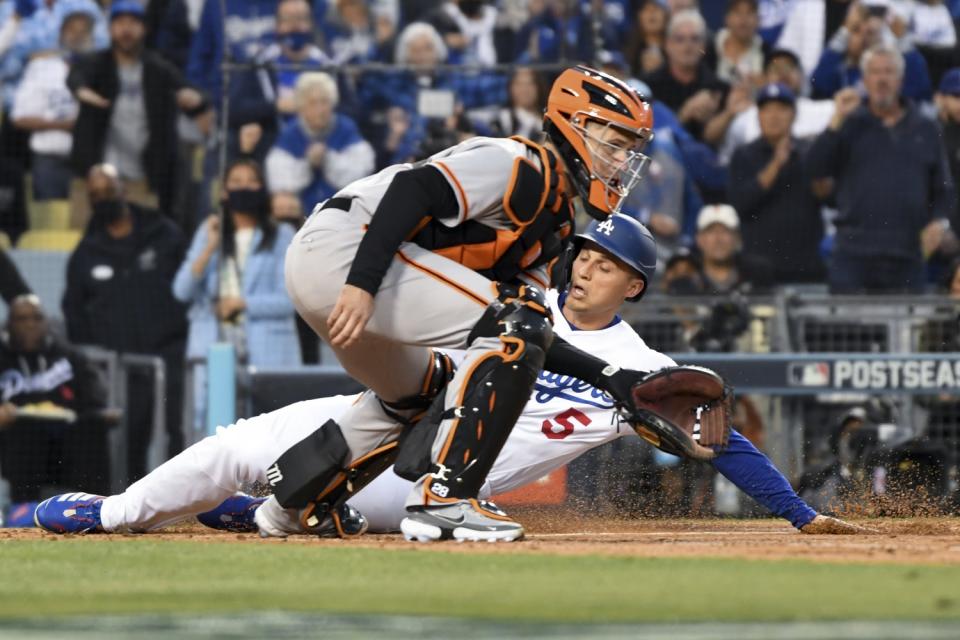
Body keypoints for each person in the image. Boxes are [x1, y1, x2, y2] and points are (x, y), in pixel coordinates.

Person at [33, 215, 862, 537]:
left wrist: (800, 514)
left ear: (635, 284)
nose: (584, 271)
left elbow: (722, 438)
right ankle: (118, 511)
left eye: (607, 266)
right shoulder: (517, 300)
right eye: (584, 255)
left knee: (300, 499)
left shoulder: (643, 370)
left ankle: (284, 513)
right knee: (229, 448)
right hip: (384, 417)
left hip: (429, 481)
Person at [258, 66, 657, 544]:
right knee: (516, 321)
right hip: (345, 251)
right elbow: (414, 189)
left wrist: (608, 376)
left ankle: (293, 502)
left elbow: (532, 334)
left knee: (418, 392)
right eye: (612, 142)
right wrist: (361, 283)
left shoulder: (556, 227)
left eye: (628, 149)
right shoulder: (518, 163)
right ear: (572, 126)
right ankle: (446, 499)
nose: (619, 161)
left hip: (351, 270)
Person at [62, 164, 188, 482]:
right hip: (122, 366)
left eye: (108, 190)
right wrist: (99, 355)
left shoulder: (163, 233)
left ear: (124, 190)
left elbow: (189, 287)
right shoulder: (86, 252)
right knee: (130, 439)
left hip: (170, 352)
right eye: (95, 195)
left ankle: (185, 506)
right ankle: (135, 510)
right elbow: (73, 311)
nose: (103, 199)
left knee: (177, 432)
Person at [808, 44, 955, 293]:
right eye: (874, 72)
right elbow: (814, 168)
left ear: (901, 80)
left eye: (889, 72)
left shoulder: (926, 127)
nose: (882, 79)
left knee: (905, 331)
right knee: (848, 331)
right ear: (864, 80)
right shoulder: (848, 123)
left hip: (907, 253)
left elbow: (942, 188)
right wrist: (835, 120)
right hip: (853, 253)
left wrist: (939, 223)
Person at [173, 158, 300, 433]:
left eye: (251, 181)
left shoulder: (281, 235)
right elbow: (181, 290)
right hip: (215, 347)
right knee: (213, 435)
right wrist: (209, 247)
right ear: (224, 192)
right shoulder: (209, 232)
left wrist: (243, 304)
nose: (245, 188)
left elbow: (290, 300)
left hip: (267, 348)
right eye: (236, 182)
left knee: (271, 432)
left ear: (262, 188)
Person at [66, 1, 211, 226]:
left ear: (143, 28)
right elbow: (76, 77)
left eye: (133, 23)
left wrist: (194, 98)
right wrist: (81, 91)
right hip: (97, 179)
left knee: (143, 239)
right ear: (110, 29)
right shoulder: (96, 64)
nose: (126, 30)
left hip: (144, 177)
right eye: (120, 23)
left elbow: (194, 93)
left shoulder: (157, 67)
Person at [1, 294, 109, 526]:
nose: (30, 324)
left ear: (46, 322)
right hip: (13, 443)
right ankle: (22, 510)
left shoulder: (66, 355)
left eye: (37, 318)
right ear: (9, 324)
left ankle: (99, 508)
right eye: (22, 319)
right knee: (26, 430)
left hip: (64, 444)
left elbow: (95, 397)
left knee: (92, 428)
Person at [727, 83, 825, 284]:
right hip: (759, 267)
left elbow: (827, 196)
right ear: (759, 115)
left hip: (805, 264)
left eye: (781, 109)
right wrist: (776, 164)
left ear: (794, 115)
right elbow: (741, 203)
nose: (774, 116)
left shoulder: (809, 152)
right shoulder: (744, 155)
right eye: (767, 109)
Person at [227, 0, 333, 163]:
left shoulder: (327, 65)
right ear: (277, 25)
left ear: (311, 23)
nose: (294, 26)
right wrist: (275, 106)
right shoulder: (259, 64)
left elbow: (351, 111)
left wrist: (320, 109)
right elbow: (235, 110)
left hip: (321, 151)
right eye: (287, 20)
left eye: (300, 19)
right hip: (271, 152)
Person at [10, 8, 94, 201]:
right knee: (48, 223)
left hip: (88, 162)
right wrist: (63, 125)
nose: (78, 36)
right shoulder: (42, 68)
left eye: (84, 31)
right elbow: (19, 118)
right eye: (72, 30)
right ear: (61, 34)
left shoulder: (101, 69)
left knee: (84, 225)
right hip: (50, 161)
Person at [265, 72, 375, 215]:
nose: (320, 109)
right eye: (313, 103)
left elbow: (362, 172)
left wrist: (328, 159)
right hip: (300, 216)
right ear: (301, 106)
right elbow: (279, 181)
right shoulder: (290, 134)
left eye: (325, 102)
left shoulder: (346, 129)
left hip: (343, 212)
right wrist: (308, 163)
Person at [643, 10, 738, 143]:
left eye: (694, 39)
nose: (688, 45)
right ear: (667, 45)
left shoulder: (720, 88)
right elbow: (647, 134)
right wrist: (685, 113)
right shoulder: (648, 85)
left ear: (703, 46)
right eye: (680, 39)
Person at [809, 2, 932, 101]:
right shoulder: (840, 69)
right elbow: (819, 85)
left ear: (881, 38)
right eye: (856, 31)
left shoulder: (889, 72)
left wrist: (903, 39)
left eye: (871, 32)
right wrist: (844, 31)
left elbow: (920, 89)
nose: (864, 37)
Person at [693, 203, 775, 294]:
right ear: (699, 239)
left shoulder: (758, 273)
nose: (718, 239)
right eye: (711, 231)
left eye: (725, 231)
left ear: (737, 238)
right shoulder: (688, 274)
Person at [491, 67, 548, 140]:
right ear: (510, 88)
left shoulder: (547, 120)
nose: (524, 89)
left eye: (530, 84)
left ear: (538, 87)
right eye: (519, 84)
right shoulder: (502, 120)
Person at [624, 0, 670, 78]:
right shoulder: (629, 51)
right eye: (646, 9)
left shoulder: (676, 47)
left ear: (666, 15)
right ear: (639, 16)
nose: (651, 13)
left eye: (656, 9)